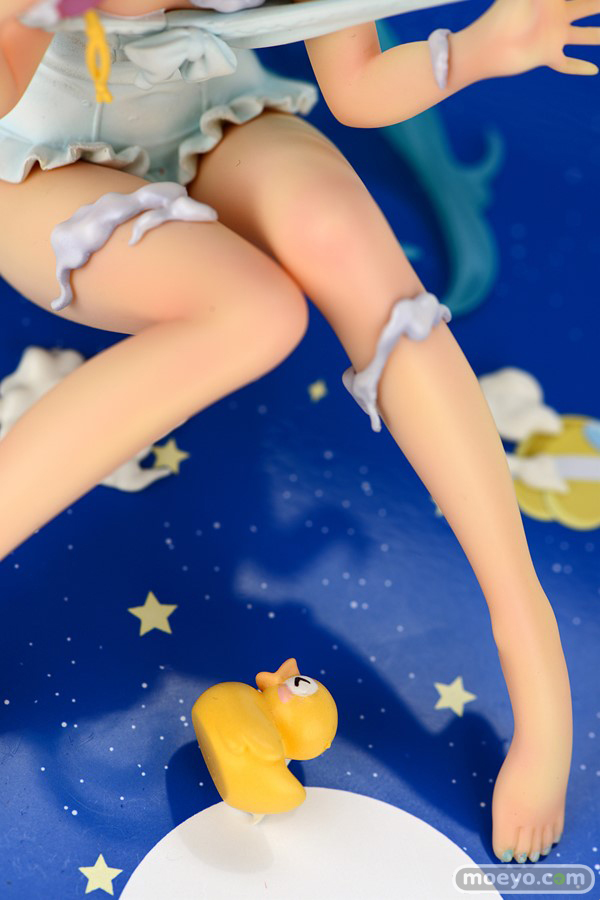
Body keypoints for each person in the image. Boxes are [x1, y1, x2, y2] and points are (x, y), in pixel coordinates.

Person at [1, 0, 597, 865]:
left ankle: (524, 625)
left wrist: (477, 50)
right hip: (43, 154)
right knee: (255, 313)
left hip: (212, 117)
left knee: (338, 230)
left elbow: (356, 84)